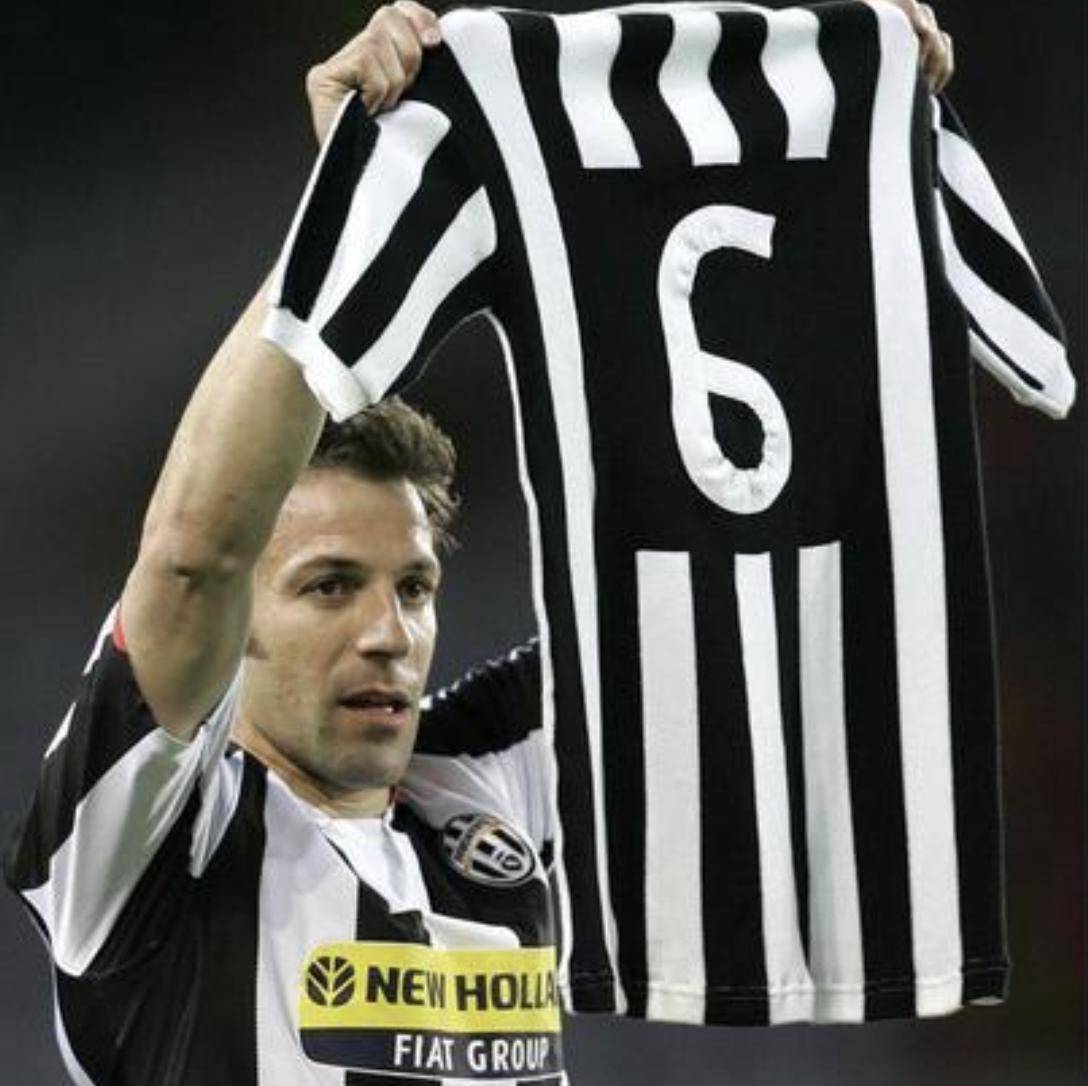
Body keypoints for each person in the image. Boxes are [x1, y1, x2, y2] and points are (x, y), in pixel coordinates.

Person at [4, 2, 954, 1083]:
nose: (388, 632)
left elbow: (747, 570)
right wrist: (353, 211)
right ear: (233, 626)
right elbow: (191, 551)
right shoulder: (146, 850)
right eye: (329, 586)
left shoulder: (479, 780)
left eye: (412, 588)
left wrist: (837, 164)